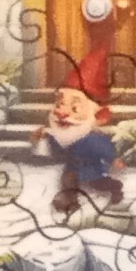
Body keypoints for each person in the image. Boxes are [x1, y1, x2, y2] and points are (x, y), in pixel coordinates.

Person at [40, 87, 125, 217]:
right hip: (72, 166)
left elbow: (103, 147)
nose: (62, 114)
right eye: (59, 106)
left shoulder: (91, 136)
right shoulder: (64, 136)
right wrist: (44, 139)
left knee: (98, 183)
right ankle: (70, 202)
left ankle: (115, 187)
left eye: (75, 109)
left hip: (90, 166)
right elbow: (57, 152)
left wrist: (113, 158)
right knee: (68, 180)